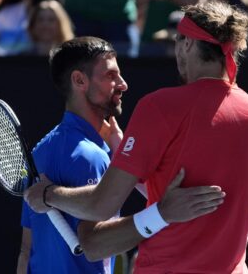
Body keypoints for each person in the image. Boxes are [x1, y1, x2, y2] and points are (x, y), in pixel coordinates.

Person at [25, 0, 248, 273]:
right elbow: (195, 194)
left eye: (177, 42)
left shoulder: (159, 107)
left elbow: (99, 207)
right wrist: (123, 149)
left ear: (188, 44)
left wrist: (49, 195)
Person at [17, 36, 226, 273]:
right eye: (110, 75)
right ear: (79, 80)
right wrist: (161, 214)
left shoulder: (41, 150)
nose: (123, 84)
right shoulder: (89, 156)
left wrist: (120, 149)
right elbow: (98, 240)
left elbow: (26, 250)